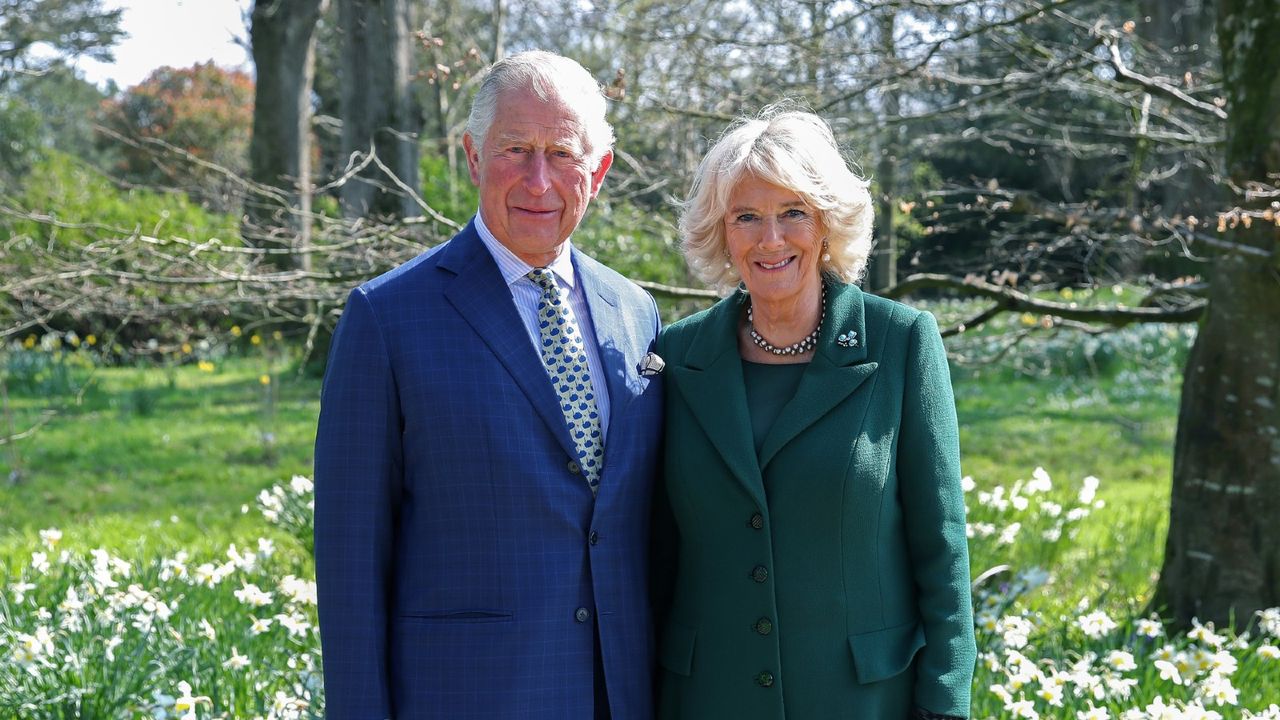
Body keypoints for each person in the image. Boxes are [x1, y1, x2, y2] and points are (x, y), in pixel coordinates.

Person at [314, 50, 664, 720]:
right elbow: (351, 560)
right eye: (515, 150)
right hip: (466, 696)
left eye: (562, 153)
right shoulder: (387, 318)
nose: (538, 180)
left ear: (599, 170)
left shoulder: (635, 311)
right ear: (472, 157)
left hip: (618, 695)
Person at [652, 107, 976, 719]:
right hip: (708, 698)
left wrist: (945, 699)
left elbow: (941, 544)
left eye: (792, 213)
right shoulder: (676, 358)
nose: (770, 239)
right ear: (722, 232)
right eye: (747, 217)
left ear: (827, 223)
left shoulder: (900, 342)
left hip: (862, 699)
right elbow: (656, 551)